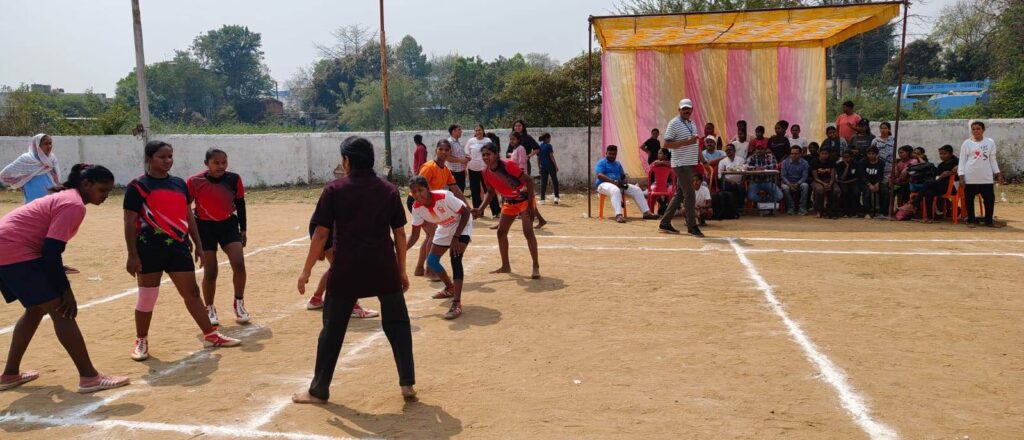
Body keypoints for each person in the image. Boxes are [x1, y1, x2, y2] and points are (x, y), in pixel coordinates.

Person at [294, 136, 415, 404]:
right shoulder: (388, 190)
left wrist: (307, 270)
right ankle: (407, 383)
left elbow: (321, 234)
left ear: (346, 160)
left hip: (346, 269)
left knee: (332, 330)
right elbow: (400, 234)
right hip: (383, 267)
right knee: (398, 324)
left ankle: (319, 390)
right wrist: (402, 270)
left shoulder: (334, 189)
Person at [0, 164, 130, 393]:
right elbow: (51, 251)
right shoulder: (73, 204)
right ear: (86, 184)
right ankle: (89, 377)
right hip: (14, 252)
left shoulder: (68, 198)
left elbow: (47, 249)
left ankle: (10, 374)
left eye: (109, 191)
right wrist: (66, 291)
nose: (106, 196)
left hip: (11, 251)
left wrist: (52, 268)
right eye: (102, 190)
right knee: (62, 310)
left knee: (35, 310)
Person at [124, 141, 241, 362]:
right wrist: (132, 254)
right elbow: (129, 221)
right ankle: (141, 340)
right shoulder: (138, 186)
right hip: (149, 247)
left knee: (192, 293)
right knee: (148, 296)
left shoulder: (179, 183)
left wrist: (198, 244)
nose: (168, 161)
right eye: (162, 157)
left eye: (170, 156)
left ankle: (210, 335)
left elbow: (188, 215)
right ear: (149, 158)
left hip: (178, 246)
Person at [187, 149, 250, 327]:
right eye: (216, 162)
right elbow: (186, 208)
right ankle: (209, 308)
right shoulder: (194, 181)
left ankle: (239, 303)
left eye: (224, 162)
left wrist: (243, 228)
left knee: (239, 263)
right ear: (206, 163)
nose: (221, 166)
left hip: (228, 225)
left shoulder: (234, 179)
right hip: (204, 228)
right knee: (211, 271)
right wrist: (188, 234)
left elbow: (240, 203)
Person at [406, 177, 472, 320]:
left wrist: (456, 237)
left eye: (420, 190)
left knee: (455, 257)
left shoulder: (444, 196)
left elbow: (466, 212)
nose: (417, 194)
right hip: (445, 226)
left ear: (427, 189)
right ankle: (450, 287)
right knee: (432, 261)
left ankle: (456, 303)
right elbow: (414, 235)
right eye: (414, 192)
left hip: (462, 223)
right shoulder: (416, 208)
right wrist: (399, 250)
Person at [474, 142, 541, 279]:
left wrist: (530, 205)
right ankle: (505, 266)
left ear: (496, 154)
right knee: (501, 232)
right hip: (509, 202)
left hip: (524, 200)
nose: (485, 157)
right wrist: (480, 209)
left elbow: (528, 181)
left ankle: (535, 266)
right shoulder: (485, 172)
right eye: (483, 155)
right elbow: (490, 192)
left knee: (528, 232)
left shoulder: (507, 165)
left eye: (488, 154)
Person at [414, 140, 467, 279]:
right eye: (441, 149)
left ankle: (419, 268)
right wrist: (422, 208)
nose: (443, 152)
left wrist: (468, 206)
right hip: (419, 202)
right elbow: (417, 190)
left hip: (429, 204)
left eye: (446, 150)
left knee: (430, 235)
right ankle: (429, 270)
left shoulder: (446, 170)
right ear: (436, 150)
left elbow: (456, 189)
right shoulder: (429, 167)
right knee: (433, 235)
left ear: (450, 152)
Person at [658, 98, 703, 237]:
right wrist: (687, 142)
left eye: (688, 108)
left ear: (692, 109)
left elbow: (695, 144)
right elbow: (666, 144)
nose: (686, 111)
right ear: (679, 110)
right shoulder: (674, 123)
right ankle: (692, 226)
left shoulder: (692, 124)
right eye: (684, 109)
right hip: (681, 163)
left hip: (689, 163)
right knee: (690, 194)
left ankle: (665, 222)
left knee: (680, 194)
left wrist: (704, 162)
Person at [595, 145, 660, 224]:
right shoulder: (602, 163)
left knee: (636, 189)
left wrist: (624, 180)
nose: (612, 156)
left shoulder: (618, 164)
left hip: (618, 184)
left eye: (614, 154)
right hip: (603, 185)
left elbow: (622, 176)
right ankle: (618, 215)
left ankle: (646, 213)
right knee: (615, 190)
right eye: (610, 154)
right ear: (606, 153)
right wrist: (612, 181)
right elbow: (599, 175)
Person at [958, 121, 1003, 227]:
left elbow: (992, 159)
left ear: (983, 130)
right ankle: (971, 221)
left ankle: (989, 221)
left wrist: (998, 173)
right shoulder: (966, 143)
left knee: (989, 200)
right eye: (973, 129)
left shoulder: (990, 142)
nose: (975, 131)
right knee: (969, 200)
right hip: (970, 177)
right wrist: (961, 176)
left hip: (986, 177)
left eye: (978, 129)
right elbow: (962, 160)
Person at [1, 134, 62, 204]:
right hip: (32, 196)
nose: (49, 146)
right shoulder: (26, 159)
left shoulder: (52, 158)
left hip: (50, 195)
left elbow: (56, 176)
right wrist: (20, 182)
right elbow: (4, 174)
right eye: (45, 144)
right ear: (37, 145)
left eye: (50, 143)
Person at [915, 144, 959, 223]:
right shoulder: (941, 165)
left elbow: (964, 168)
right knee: (929, 192)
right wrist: (942, 176)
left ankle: (915, 203)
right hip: (942, 185)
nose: (942, 156)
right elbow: (938, 178)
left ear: (951, 153)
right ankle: (929, 217)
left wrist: (950, 172)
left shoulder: (957, 161)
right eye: (940, 154)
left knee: (927, 183)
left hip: (953, 186)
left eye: (944, 154)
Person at [465, 124, 500, 218]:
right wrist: (465, 167)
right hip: (473, 168)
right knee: (475, 191)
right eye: (476, 130)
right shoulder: (471, 141)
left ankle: (496, 211)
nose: (478, 132)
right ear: (474, 132)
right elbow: (467, 154)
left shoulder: (487, 140)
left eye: (480, 130)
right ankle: (478, 212)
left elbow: (492, 154)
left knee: (489, 190)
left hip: (486, 169)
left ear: (483, 131)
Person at [860, 146, 890, 219]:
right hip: (865, 182)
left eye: (873, 154)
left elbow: (881, 175)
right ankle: (867, 212)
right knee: (867, 192)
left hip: (877, 182)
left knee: (885, 191)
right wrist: (869, 184)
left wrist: (877, 183)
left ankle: (883, 212)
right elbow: (861, 175)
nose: (871, 155)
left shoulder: (881, 163)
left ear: (876, 154)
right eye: (869, 154)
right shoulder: (863, 162)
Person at [810, 148, 839, 219]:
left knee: (836, 190)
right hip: (818, 181)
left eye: (826, 154)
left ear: (829, 154)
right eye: (822, 153)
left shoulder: (831, 162)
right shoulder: (814, 162)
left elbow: (832, 176)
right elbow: (815, 177)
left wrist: (830, 184)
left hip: (830, 181)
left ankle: (832, 211)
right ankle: (818, 210)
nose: (824, 155)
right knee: (820, 190)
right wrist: (824, 184)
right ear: (819, 153)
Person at [780, 146, 810, 215]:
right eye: (792, 153)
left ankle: (802, 208)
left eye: (796, 154)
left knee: (805, 186)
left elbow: (804, 176)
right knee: (784, 187)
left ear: (800, 154)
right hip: (787, 182)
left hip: (799, 182)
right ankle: (791, 208)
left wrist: (798, 184)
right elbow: (783, 176)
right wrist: (789, 184)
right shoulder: (785, 162)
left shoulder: (805, 163)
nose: (793, 155)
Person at [718, 143, 746, 212]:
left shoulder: (741, 160)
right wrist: (730, 182)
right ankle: (730, 209)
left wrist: (741, 182)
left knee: (741, 189)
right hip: (727, 182)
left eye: (730, 150)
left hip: (739, 182)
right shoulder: (722, 162)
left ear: (734, 151)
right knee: (728, 188)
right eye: (726, 150)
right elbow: (720, 176)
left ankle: (740, 208)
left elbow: (745, 173)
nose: (728, 151)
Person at [835, 149, 861, 217]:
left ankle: (855, 211)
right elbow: (842, 178)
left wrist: (848, 182)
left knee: (856, 192)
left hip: (853, 181)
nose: (845, 159)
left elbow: (857, 177)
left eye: (847, 157)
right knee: (844, 192)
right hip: (842, 182)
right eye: (843, 157)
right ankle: (845, 211)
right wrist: (847, 167)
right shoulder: (839, 165)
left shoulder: (856, 164)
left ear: (851, 157)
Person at [537, 132, 560, 205]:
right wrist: (556, 166)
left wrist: (539, 168)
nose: (550, 139)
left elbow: (538, 158)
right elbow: (551, 157)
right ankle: (556, 197)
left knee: (543, 183)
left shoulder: (540, 146)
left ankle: (542, 200)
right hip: (550, 166)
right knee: (555, 181)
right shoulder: (549, 146)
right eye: (549, 138)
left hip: (543, 167)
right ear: (547, 138)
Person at [649, 149, 673, 215]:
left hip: (669, 184)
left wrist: (662, 163)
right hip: (658, 184)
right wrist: (658, 163)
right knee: (655, 189)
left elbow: (672, 165)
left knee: (667, 190)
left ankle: (664, 205)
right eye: (658, 153)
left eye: (660, 153)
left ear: (665, 155)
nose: (658, 155)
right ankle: (662, 205)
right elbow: (650, 167)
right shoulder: (656, 162)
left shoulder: (670, 163)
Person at [408, 134, 429, 211]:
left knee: (418, 187)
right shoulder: (420, 147)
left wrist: (418, 172)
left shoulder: (420, 148)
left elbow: (421, 161)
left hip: (419, 170)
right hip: (418, 170)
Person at [446, 124, 469, 192]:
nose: (461, 131)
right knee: (455, 192)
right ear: (453, 131)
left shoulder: (458, 141)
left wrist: (466, 158)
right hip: (454, 172)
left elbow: (458, 155)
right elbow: (447, 158)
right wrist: (461, 160)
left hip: (461, 171)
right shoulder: (449, 142)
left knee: (461, 190)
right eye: (459, 130)